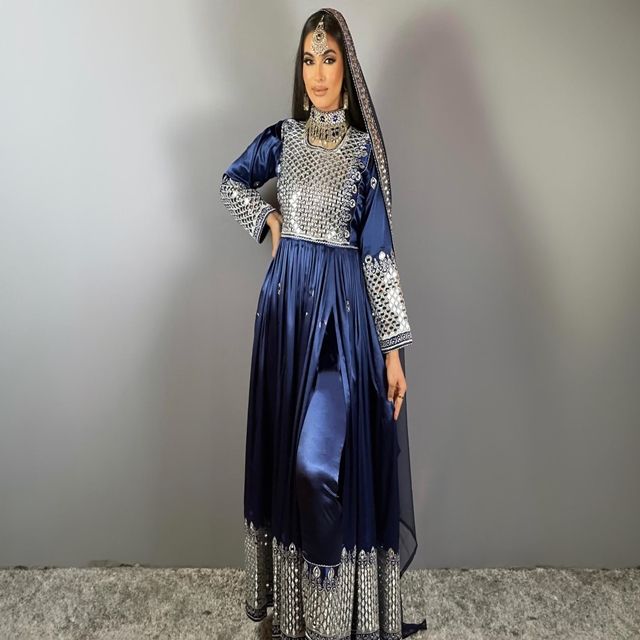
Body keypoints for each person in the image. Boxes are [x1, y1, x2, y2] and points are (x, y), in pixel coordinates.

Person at [219, 8, 427, 639]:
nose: (317, 73)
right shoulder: (281, 140)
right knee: (286, 466)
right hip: (283, 325)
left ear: (347, 69)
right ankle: (299, 618)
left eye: (328, 59)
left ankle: (334, 625)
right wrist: (269, 221)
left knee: (318, 469)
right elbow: (232, 183)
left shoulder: (363, 155)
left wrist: (392, 352)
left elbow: (379, 255)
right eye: (308, 60)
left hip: (340, 333)